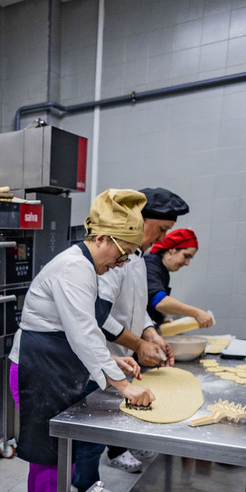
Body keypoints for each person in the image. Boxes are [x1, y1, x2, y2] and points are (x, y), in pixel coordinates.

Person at [15, 189, 154, 492]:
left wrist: (115, 359)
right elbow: (82, 333)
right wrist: (124, 384)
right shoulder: (75, 267)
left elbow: (87, 323)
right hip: (38, 369)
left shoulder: (86, 267)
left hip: (55, 365)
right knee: (47, 464)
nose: (120, 265)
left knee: (62, 458)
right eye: (123, 255)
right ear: (103, 238)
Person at [99, 187, 189, 473]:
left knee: (110, 421)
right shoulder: (114, 255)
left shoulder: (137, 258)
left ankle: (94, 480)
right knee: (89, 433)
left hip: (121, 356)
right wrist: (138, 345)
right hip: (102, 354)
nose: (163, 239)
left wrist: (151, 333)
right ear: (138, 219)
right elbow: (99, 316)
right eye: (161, 229)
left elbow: (137, 308)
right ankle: (86, 489)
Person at [144, 228, 213, 329]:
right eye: (186, 256)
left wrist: (161, 319)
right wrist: (196, 313)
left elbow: (150, 301)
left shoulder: (163, 270)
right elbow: (160, 302)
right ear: (172, 250)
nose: (187, 263)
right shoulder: (150, 265)